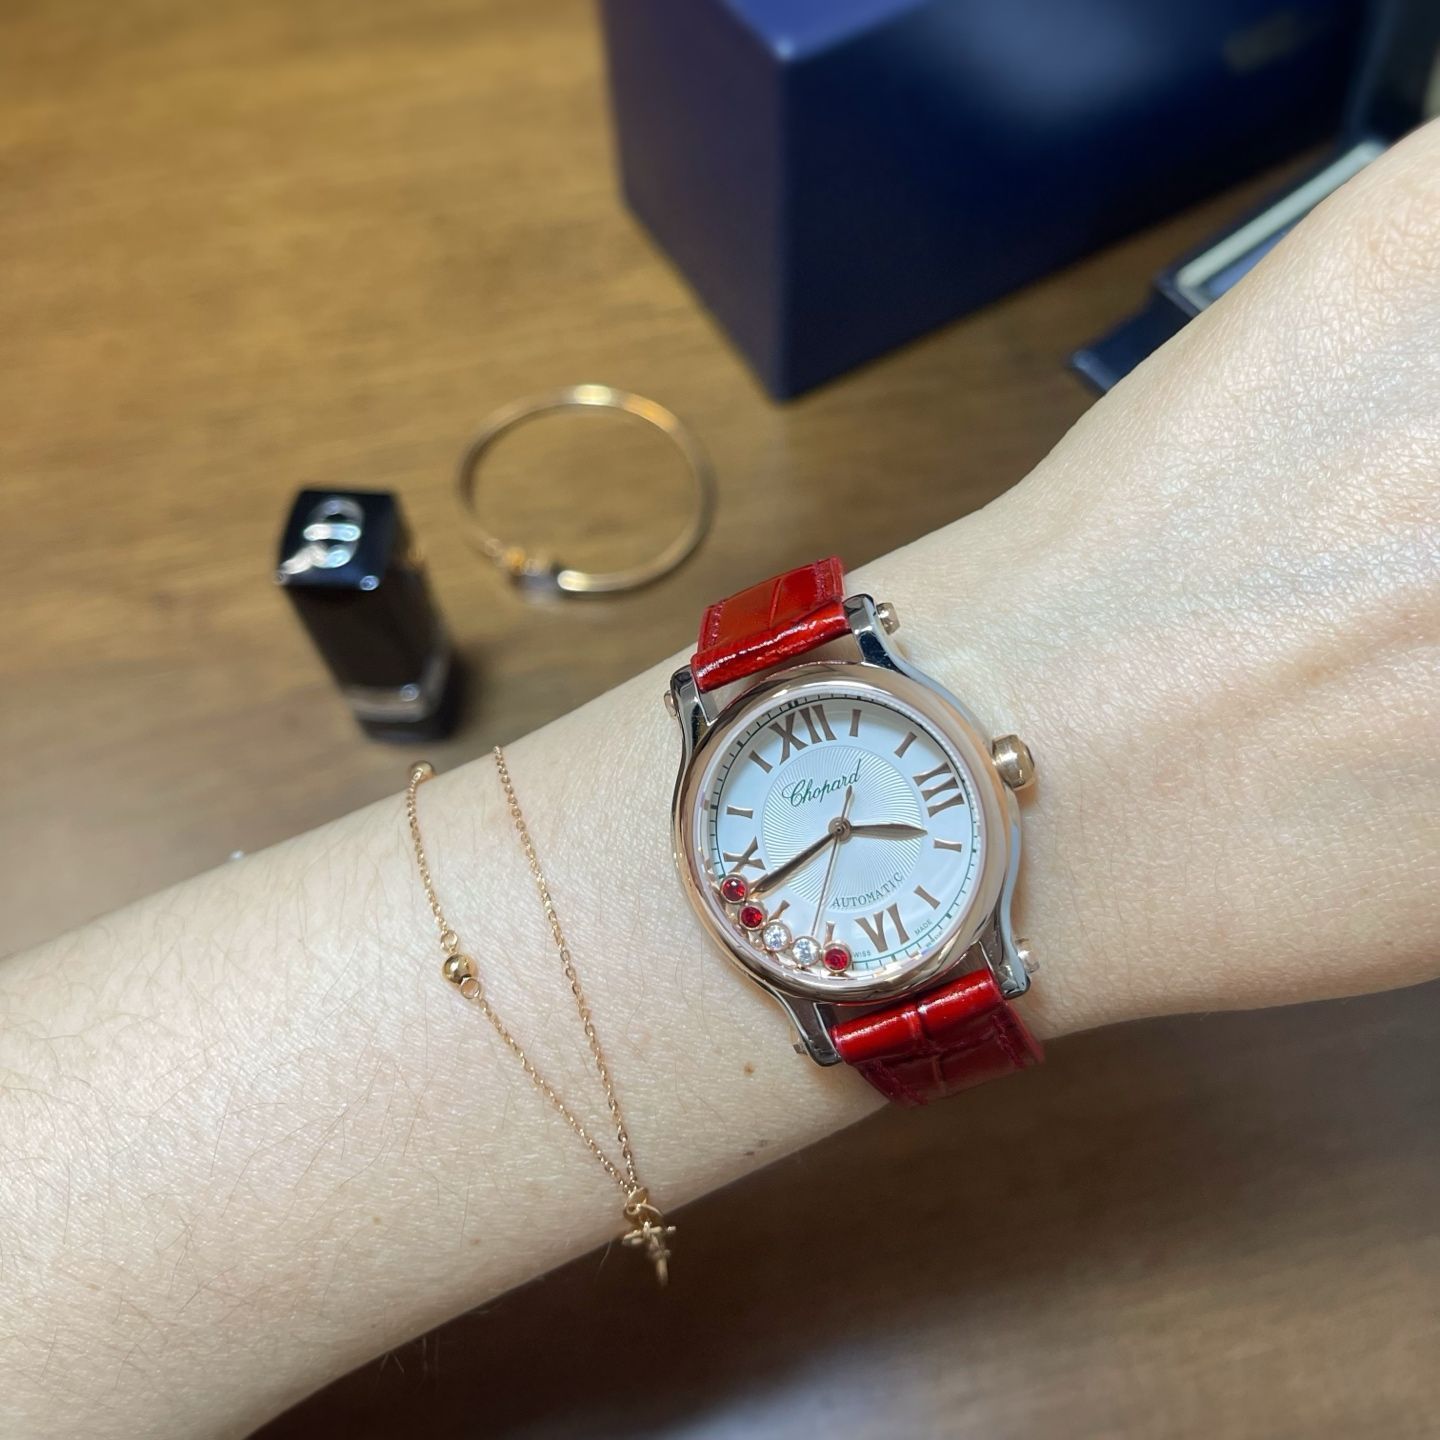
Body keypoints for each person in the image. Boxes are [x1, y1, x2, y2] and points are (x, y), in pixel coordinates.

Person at [3, 118, 1438, 1440]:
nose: (861, 818)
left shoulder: (891, 806)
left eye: (976, 765)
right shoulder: (751, 763)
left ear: (995, 770)